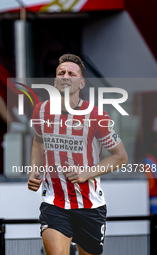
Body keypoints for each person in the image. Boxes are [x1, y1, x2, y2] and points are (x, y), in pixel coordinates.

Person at [28, 54, 128, 255]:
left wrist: (86, 174)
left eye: (71, 73)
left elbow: (120, 157)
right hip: (53, 203)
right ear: (55, 81)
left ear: (81, 83)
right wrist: (34, 171)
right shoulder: (41, 110)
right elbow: (39, 141)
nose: (65, 76)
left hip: (90, 206)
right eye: (61, 73)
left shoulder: (97, 116)